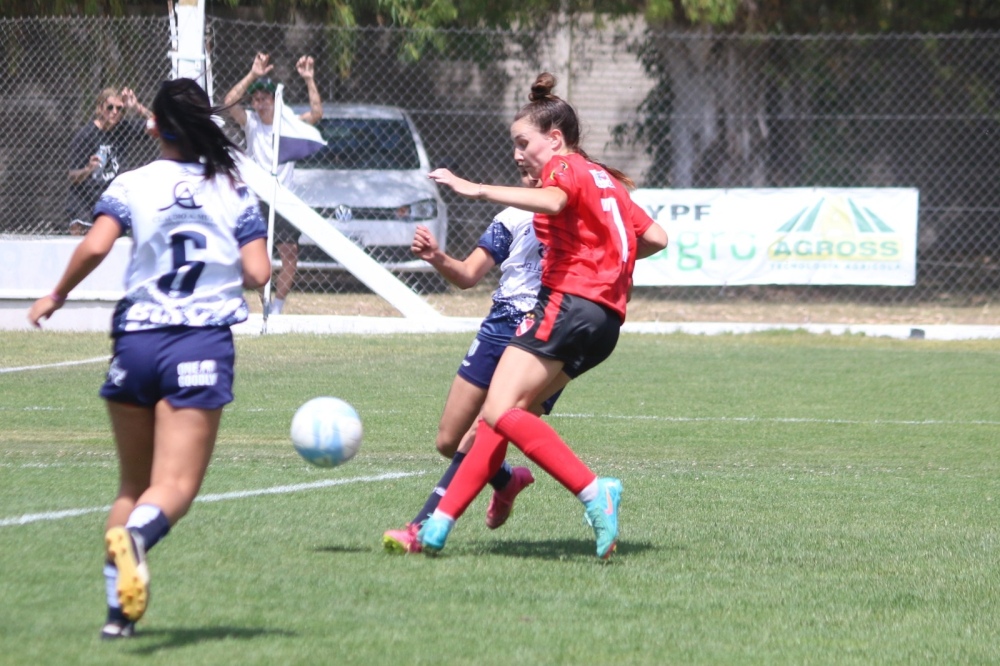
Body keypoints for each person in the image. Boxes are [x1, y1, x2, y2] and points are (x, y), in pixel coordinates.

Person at [28, 78, 271, 638]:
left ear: (154, 124)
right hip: (200, 342)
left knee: (131, 487)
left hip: (135, 341)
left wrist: (57, 294)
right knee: (175, 487)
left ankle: (119, 616)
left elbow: (94, 244)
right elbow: (259, 273)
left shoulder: (131, 181)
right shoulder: (232, 188)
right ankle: (138, 539)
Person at [416, 72, 668, 559]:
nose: (518, 154)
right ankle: (437, 526)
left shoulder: (565, 170)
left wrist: (478, 189)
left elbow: (553, 201)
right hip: (605, 322)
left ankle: (596, 491)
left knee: (499, 411)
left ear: (555, 139)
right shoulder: (606, 180)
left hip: (568, 305)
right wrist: (607, 261)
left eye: (523, 142)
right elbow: (657, 238)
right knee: (501, 419)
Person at [382, 172, 559, 554]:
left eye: (531, 161)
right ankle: (506, 480)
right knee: (448, 440)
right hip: (498, 326)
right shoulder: (512, 218)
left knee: (481, 431)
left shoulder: (575, 216)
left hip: (545, 334)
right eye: (520, 163)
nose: (525, 171)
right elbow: (466, 275)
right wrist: (436, 256)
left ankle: (421, 527)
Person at [224, 52, 323, 315]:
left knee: (289, 252)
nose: (260, 103)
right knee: (256, 255)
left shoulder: (287, 123)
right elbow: (229, 102)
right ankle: (263, 300)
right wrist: (253, 75)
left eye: (265, 98)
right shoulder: (252, 123)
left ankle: (277, 305)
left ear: (274, 100)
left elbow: (316, 113)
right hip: (257, 198)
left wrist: (309, 80)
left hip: (283, 198)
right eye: (256, 99)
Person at [67, 87, 153, 235]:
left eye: (119, 108)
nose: (115, 112)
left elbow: (158, 125)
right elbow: (72, 176)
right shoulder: (85, 135)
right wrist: (87, 169)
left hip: (112, 201)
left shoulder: (123, 128)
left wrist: (136, 106)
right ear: (99, 109)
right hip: (85, 202)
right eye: (110, 107)